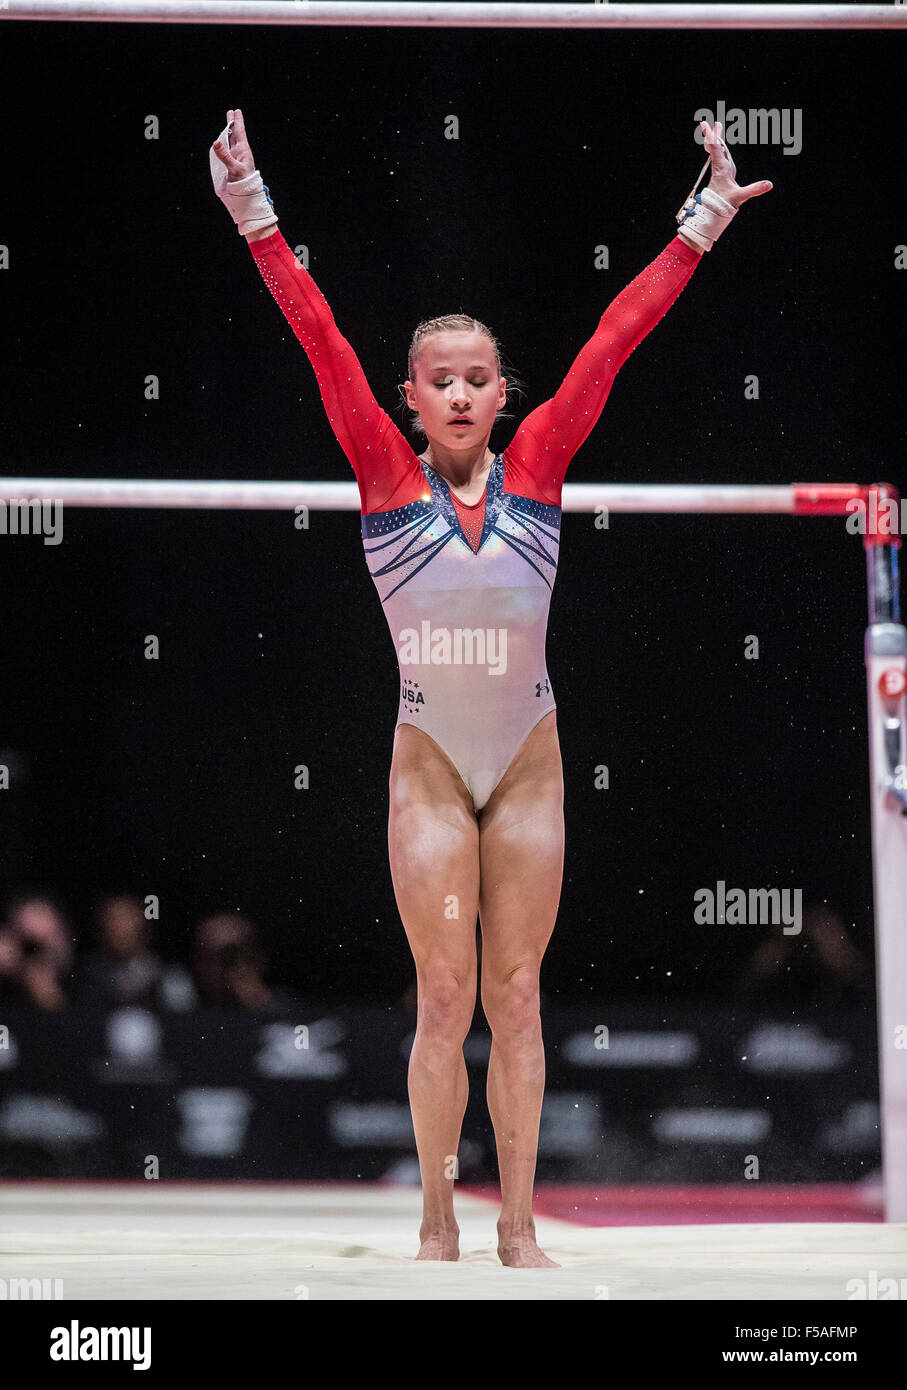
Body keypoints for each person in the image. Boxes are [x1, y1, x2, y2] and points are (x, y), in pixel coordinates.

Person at [211, 109, 771, 1266]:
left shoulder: (547, 463)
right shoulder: (377, 473)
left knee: (513, 994)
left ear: (502, 394)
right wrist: (254, 213)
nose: (459, 395)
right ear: (407, 398)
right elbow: (318, 339)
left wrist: (703, 217)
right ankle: (433, 1222)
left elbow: (615, 339)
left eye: (476, 379)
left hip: (526, 760)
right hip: (427, 762)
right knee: (441, 997)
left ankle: (517, 1224)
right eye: (438, 381)